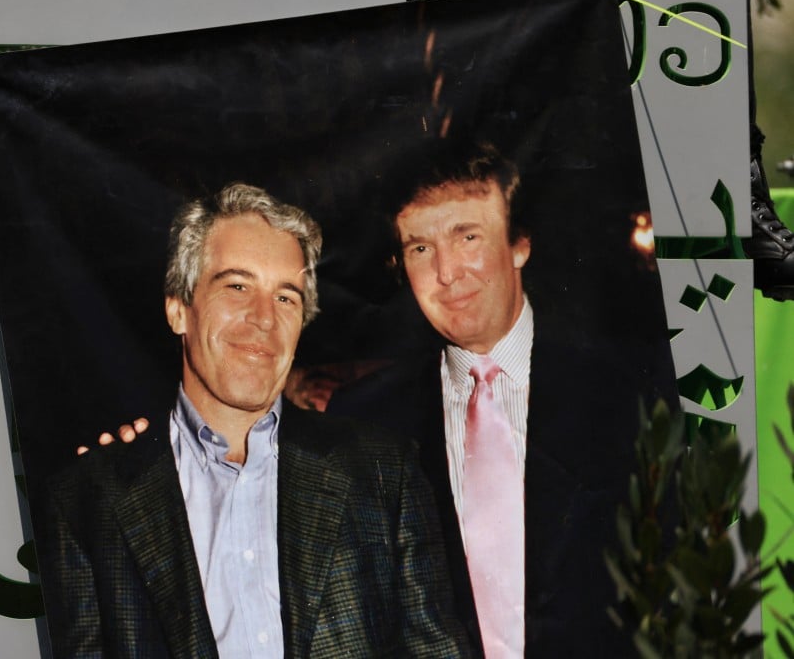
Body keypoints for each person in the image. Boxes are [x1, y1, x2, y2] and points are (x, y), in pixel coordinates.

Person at [41, 183, 469, 658]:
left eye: (286, 297)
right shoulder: (88, 501)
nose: (264, 318)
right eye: (237, 286)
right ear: (178, 309)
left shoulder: (385, 473)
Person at [326, 141, 676, 657]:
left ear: (519, 244)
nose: (447, 273)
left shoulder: (630, 395)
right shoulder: (364, 421)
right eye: (420, 248)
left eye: (467, 236)